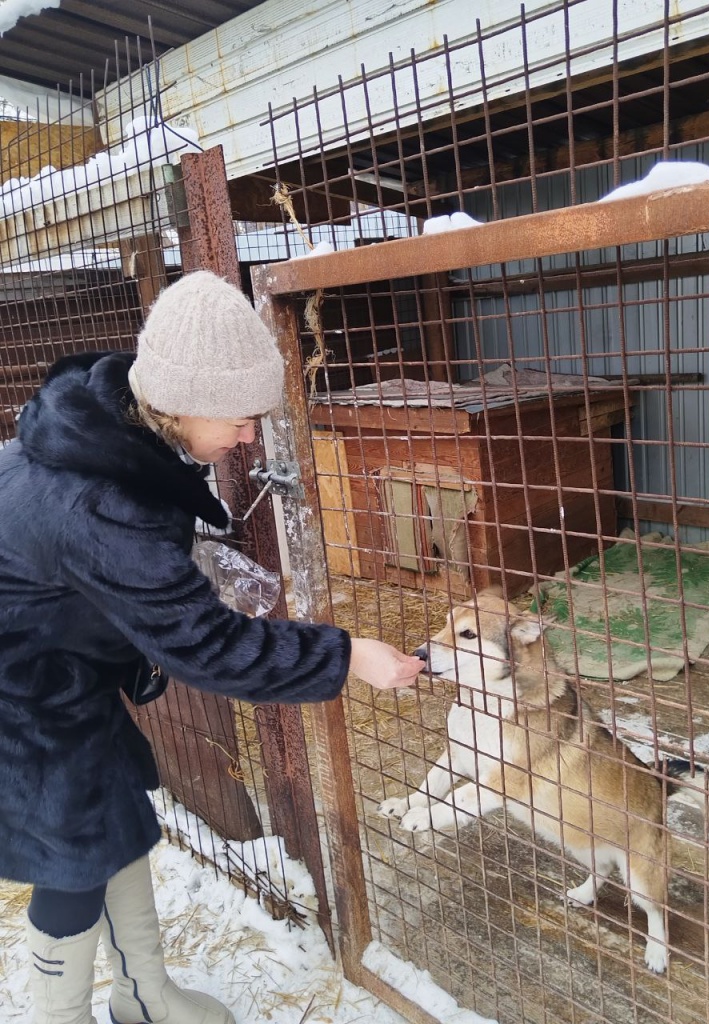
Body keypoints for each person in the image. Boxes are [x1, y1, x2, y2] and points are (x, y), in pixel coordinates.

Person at [0, 270, 424, 1024]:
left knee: (116, 816)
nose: (249, 436)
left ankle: (145, 996)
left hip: (57, 670)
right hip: (22, 698)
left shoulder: (101, 430)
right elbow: (211, 649)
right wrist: (348, 654)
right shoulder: (97, 501)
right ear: (183, 400)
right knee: (72, 855)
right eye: (240, 417)